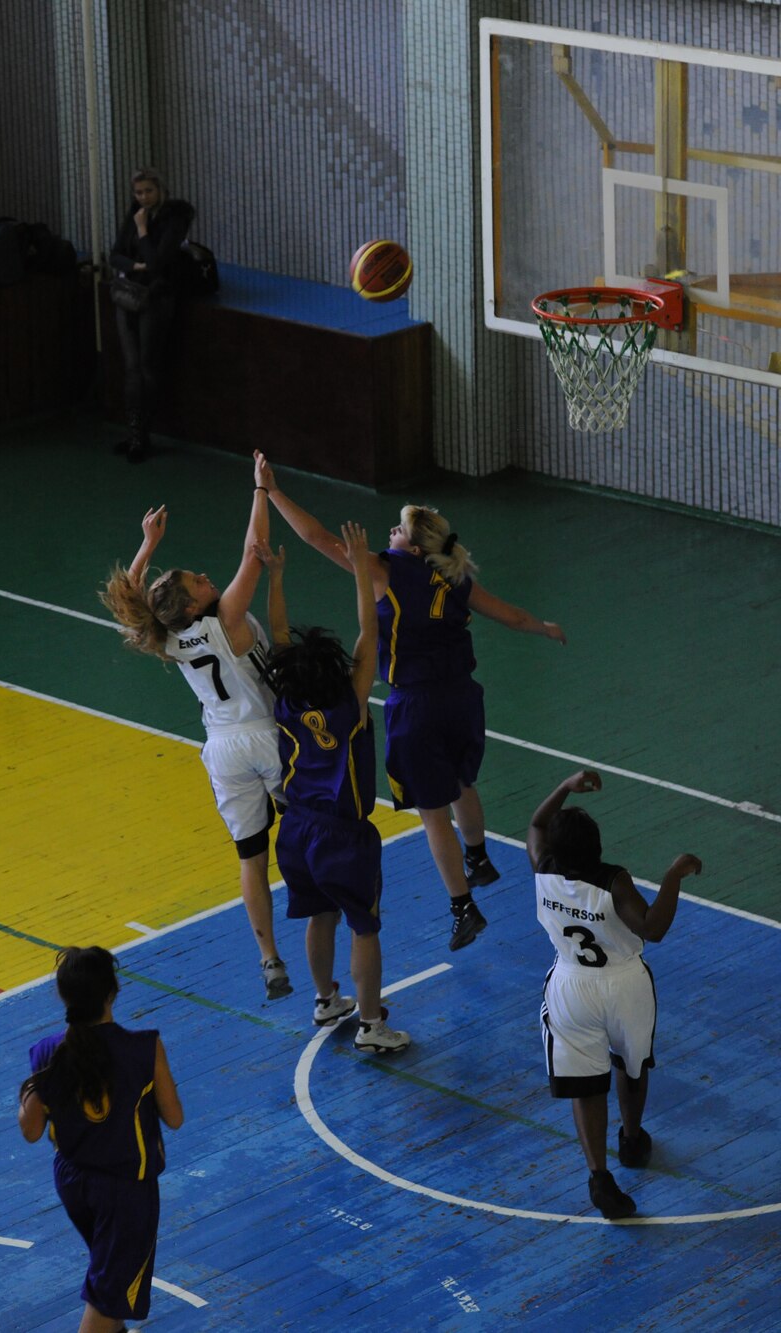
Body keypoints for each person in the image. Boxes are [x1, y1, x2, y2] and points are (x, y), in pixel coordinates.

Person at [257, 451, 568, 950]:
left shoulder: (385, 571)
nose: (390, 534)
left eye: (398, 530)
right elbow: (509, 615)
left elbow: (317, 538)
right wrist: (544, 627)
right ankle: (479, 855)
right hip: (464, 697)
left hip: (416, 705)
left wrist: (273, 492)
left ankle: (462, 906)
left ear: (415, 548)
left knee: (431, 809)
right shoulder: (456, 575)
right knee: (462, 780)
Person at [99, 494, 294, 1004]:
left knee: (251, 858)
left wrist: (147, 546)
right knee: (310, 826)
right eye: (199, 582)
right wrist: (259, 490)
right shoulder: (226, 619)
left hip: (222, 749)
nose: (209, 578)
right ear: (193, 605)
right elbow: (255, 550)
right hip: (266, 735)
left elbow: (131, 608)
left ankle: (270, 959)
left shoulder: (167, 638)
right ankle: (328, 913)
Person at [258, 524, 409, 1052]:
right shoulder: (348, 708)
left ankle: (326, 1000)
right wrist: (362, 569)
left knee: (318, 915)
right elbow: (370, 636)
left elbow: (280, 639)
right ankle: (372, 1025)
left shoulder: (286, 698)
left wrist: (276, 578)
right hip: (342, 835)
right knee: (364, 927)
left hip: (295, 830)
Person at [526, 769, 700, 1219]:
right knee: (632, 1062)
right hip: (624, 984)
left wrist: (563, 786)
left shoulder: (542, 869)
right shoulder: (614, 881)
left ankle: (599, 1176)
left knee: (586, 1085)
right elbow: (653, 928)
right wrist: (673, 874)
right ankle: (632, 1140)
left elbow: (538, 825)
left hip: (570, 987)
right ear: (596, 847)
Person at [20, 946, 183, 1333]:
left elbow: (29, 1131)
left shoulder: (46, 1052)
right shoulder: (144, 1048)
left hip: (73, 1181)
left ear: (65, 997)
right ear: (113, 992)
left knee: (111, 1280)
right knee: (107, 1298)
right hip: (126, 1190)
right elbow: (175, 1118)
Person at [106, 169, 194, 463]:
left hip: (156, 298)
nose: (143, 198)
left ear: (160, 189)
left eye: (148, 191)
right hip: (129, 295)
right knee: (131, 366)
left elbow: (158, 261)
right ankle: (135, 435)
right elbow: (115, 254)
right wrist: (137, 266)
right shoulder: (135, 213)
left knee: (147, 366)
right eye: (138, 193)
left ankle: (146, 433)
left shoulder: (176, 216)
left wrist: (143, 233)